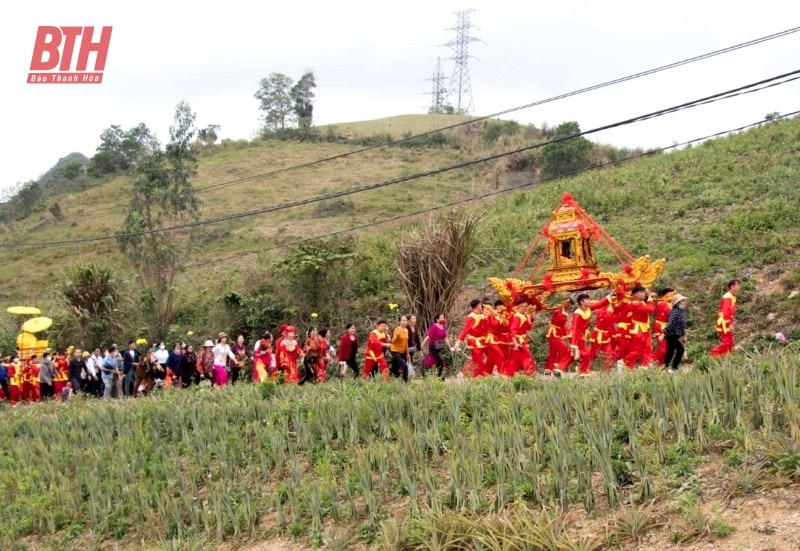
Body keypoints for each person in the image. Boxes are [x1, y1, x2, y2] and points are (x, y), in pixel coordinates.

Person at [569, 293, 611, 377]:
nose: (589, 301)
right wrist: (574, 344)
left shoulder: (588, 308)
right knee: (586, 354)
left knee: (585, 354)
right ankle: (583, 371)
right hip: (576, 336)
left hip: (582, 335)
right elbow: (575, 329)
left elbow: (599, 304)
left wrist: (609, 296)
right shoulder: (577, 313)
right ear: (581, 302)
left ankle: (582, 370)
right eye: (587, 299)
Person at [619, 285, 655, 370]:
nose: (644, 294)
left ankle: (644, 367)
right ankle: (625, 363)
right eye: (641, 292)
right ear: (636, 295)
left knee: (647, 348)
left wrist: (649, 297)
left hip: (645, 328)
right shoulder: (635, 304)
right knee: (636, 350)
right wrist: (649, 298)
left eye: (644, 292)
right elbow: (650, 309)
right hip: (637, 328)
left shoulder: (641, 303)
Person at [453, 299, 491, 378]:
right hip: (473, 342)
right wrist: (458, 342)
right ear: (477, 306)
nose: (482, 306)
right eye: (481, 305)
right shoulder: (471, 317)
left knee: (475, 360)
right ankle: (481, 379)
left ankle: (461, 375)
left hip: (481, 341)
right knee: (479, 361)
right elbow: (465, 330)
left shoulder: (481, 315)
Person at [710, 279, 741, 357]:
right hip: (724, 322)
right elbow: (725, 311)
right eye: (737, 285)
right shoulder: (727, 297)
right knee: (728, 342)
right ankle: (713, 354)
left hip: (726, 321)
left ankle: (726, 358)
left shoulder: (732, 296)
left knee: (730, 342)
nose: (739, 287)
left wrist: (732, 320)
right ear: (732, 286)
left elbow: (730, 312)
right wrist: (730, 323)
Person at [508, 297, 536, 377]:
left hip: (522, 339)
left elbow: (528, 328)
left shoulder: (523, 315)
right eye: (525, 306)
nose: (526, 308)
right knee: (527, 358)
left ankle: (507, 376)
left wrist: (530, 317)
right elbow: (513, 331)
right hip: (519, 341)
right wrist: (516, 344)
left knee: (514, 361)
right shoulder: (517, 316)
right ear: (520, 305)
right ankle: (530, 375)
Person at [545, 298, 573, 377]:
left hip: (557, 333)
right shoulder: (558, 311)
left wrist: (565, 335)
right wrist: (563, 312)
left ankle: (548, 369)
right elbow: (562, 321)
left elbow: (562, 326)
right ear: (567, 304)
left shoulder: (561, 312)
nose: (570, 307)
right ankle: (558, 367)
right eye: (570, 305)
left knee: (553, 352)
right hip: (553, 333)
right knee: (564, 349)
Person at [662, 294, 689, 372]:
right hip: (671, 334)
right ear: (678, 303)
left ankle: (664, 368)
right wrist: (663, 333)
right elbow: (670, 323)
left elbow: (682, 325)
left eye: (684, 300)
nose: (684, 302)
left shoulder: (681, 311)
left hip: (676, 335)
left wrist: (683, 335)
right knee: (680, 349)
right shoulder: (675, 311)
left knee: (670, 352)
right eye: (682, 301)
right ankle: (674, 367)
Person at [422, 314, 450, 380]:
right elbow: (428, 336)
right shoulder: (434, 326)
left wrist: (450, 347)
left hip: (439, 346)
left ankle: (425, 371)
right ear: (437, 319)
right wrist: (422, 345)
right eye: (441, 317)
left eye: (443, 317)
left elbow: (445, 338)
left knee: (433, 360)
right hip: (433, 347)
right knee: (440, 361)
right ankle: (441, 378)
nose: (443, 318)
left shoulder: (443, 327)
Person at [389, 315, 412, 382]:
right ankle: (406, 382)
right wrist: (397, 336)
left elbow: (406, 343)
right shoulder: (397, 329)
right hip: (395, 351)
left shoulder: (406, 330)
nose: (405, 322)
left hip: (401, 351)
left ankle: (388, 378)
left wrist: (408, 354)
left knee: (394, 368)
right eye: (403, 320)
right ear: (399, 322)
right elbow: (392, 341)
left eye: (406, 320)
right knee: (404, 366)